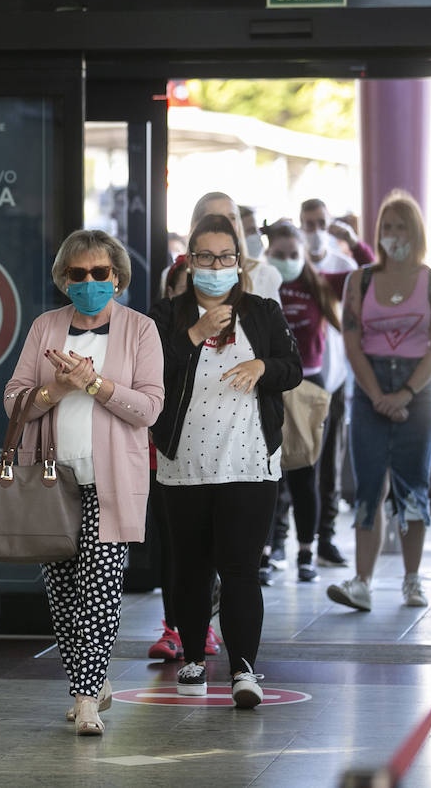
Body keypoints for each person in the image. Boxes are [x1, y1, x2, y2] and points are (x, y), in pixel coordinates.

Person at [4, 229, 164, 735]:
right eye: (80, 274)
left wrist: (95, 384)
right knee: (65, 595)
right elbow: (13, 402)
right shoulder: (45, 327)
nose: (90, 281)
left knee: (99, 592)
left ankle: (86, 700)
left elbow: (149, 409)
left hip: (110, 482)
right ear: (64, 279)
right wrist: (57, 387)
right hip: (53, 483)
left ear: (117, 277)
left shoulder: (140, 331)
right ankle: (92, 681)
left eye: (100, 273)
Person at [150, 213, 301, 709]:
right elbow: (149, 373)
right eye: (205, 257)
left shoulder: (261, 311)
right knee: (190, 568)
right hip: (184, 463)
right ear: (190, 263)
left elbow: (293, 368)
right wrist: (193, 333)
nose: (216, 265)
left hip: (249, 462)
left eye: (226, 257)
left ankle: (243, 670)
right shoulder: (166, 316)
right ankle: (193, 657)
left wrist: (263, 366)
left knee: (240, 570)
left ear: (239, 262)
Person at [326, 190, 431, 613]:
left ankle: (412, 580)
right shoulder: (359, 280)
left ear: (415, 231)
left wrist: (407, 392)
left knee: (413, 486)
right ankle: (362, 581)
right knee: (368, 487)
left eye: (401, 226)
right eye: (387, 227)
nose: (393, 234)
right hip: (369, 390)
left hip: (419, 390)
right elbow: (352, 341)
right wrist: (378, 395)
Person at [263, 222, 347, 584]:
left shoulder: (320, 284)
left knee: (305, 474)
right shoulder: (261, 285)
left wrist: (353, 243)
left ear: (305, 255)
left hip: (310, 384)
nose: (286, 261)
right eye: (278, 255)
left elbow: (367, 273)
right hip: (268, 384)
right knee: (266, 474)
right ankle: (265, 552)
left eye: (293, 255)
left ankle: (306, 552)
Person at [299, 201, 377, 571]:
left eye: (320, 223)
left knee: (330, 460)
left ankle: (325, 537)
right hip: (296, 380)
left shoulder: (343, 268)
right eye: (308, 223)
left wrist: (354, 241)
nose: (314, 230)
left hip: (334, 378)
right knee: (294, 462)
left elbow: (374, 275)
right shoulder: (291, 265)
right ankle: (290, 539)